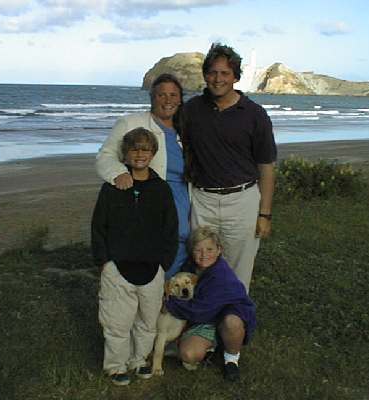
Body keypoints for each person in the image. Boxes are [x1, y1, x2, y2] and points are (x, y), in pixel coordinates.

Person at [182, 43, 277, 291]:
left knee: (239, 269)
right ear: (205, 75)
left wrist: (264, 214)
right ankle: (203, 323)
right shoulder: (191, 110)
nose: (218, 78)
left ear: (235, 76)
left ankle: (235, 322)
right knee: (201, 262)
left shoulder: (255, 114)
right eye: (213, 72)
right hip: (203, 200)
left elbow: (266, 166)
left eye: (225, 73)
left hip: (242, 201)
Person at [91, 128, 178, 386]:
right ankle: (116, 366)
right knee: (117, 322)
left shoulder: (161, 189)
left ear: (153, 154)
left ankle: (138, 360)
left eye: (145, 149)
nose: (140, 154)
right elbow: (98, 226)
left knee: (147, 321)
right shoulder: (112, 188)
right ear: (125, 154)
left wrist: (165, 262)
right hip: (118, 267)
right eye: (134, 149)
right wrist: (104, 262)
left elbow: (170, 228)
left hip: (152, 268)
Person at [95, 74, 190, 279]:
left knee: (179, 249)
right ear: (152, 97)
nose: (168, 100)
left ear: (180, 99)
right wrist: (118, 173)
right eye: (161, 95)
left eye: (173, 95)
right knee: (149, 253)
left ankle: (165, 303)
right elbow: (105, 156)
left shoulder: (186, 130)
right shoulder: (130, 123)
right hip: (147, 203)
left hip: (184, 204)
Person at [165, 226, 256, 382]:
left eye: (209, 249)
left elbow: (199, 311)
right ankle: (212, 346)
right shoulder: (189, 267)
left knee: (231, 323)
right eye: (198, 250)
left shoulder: (221, 275)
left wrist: (169, 303)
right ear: (191, 251)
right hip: (205, 316)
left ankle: (231, 359)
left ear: (219, 250)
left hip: (225, 315)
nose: (203, 255)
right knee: (188, 354)